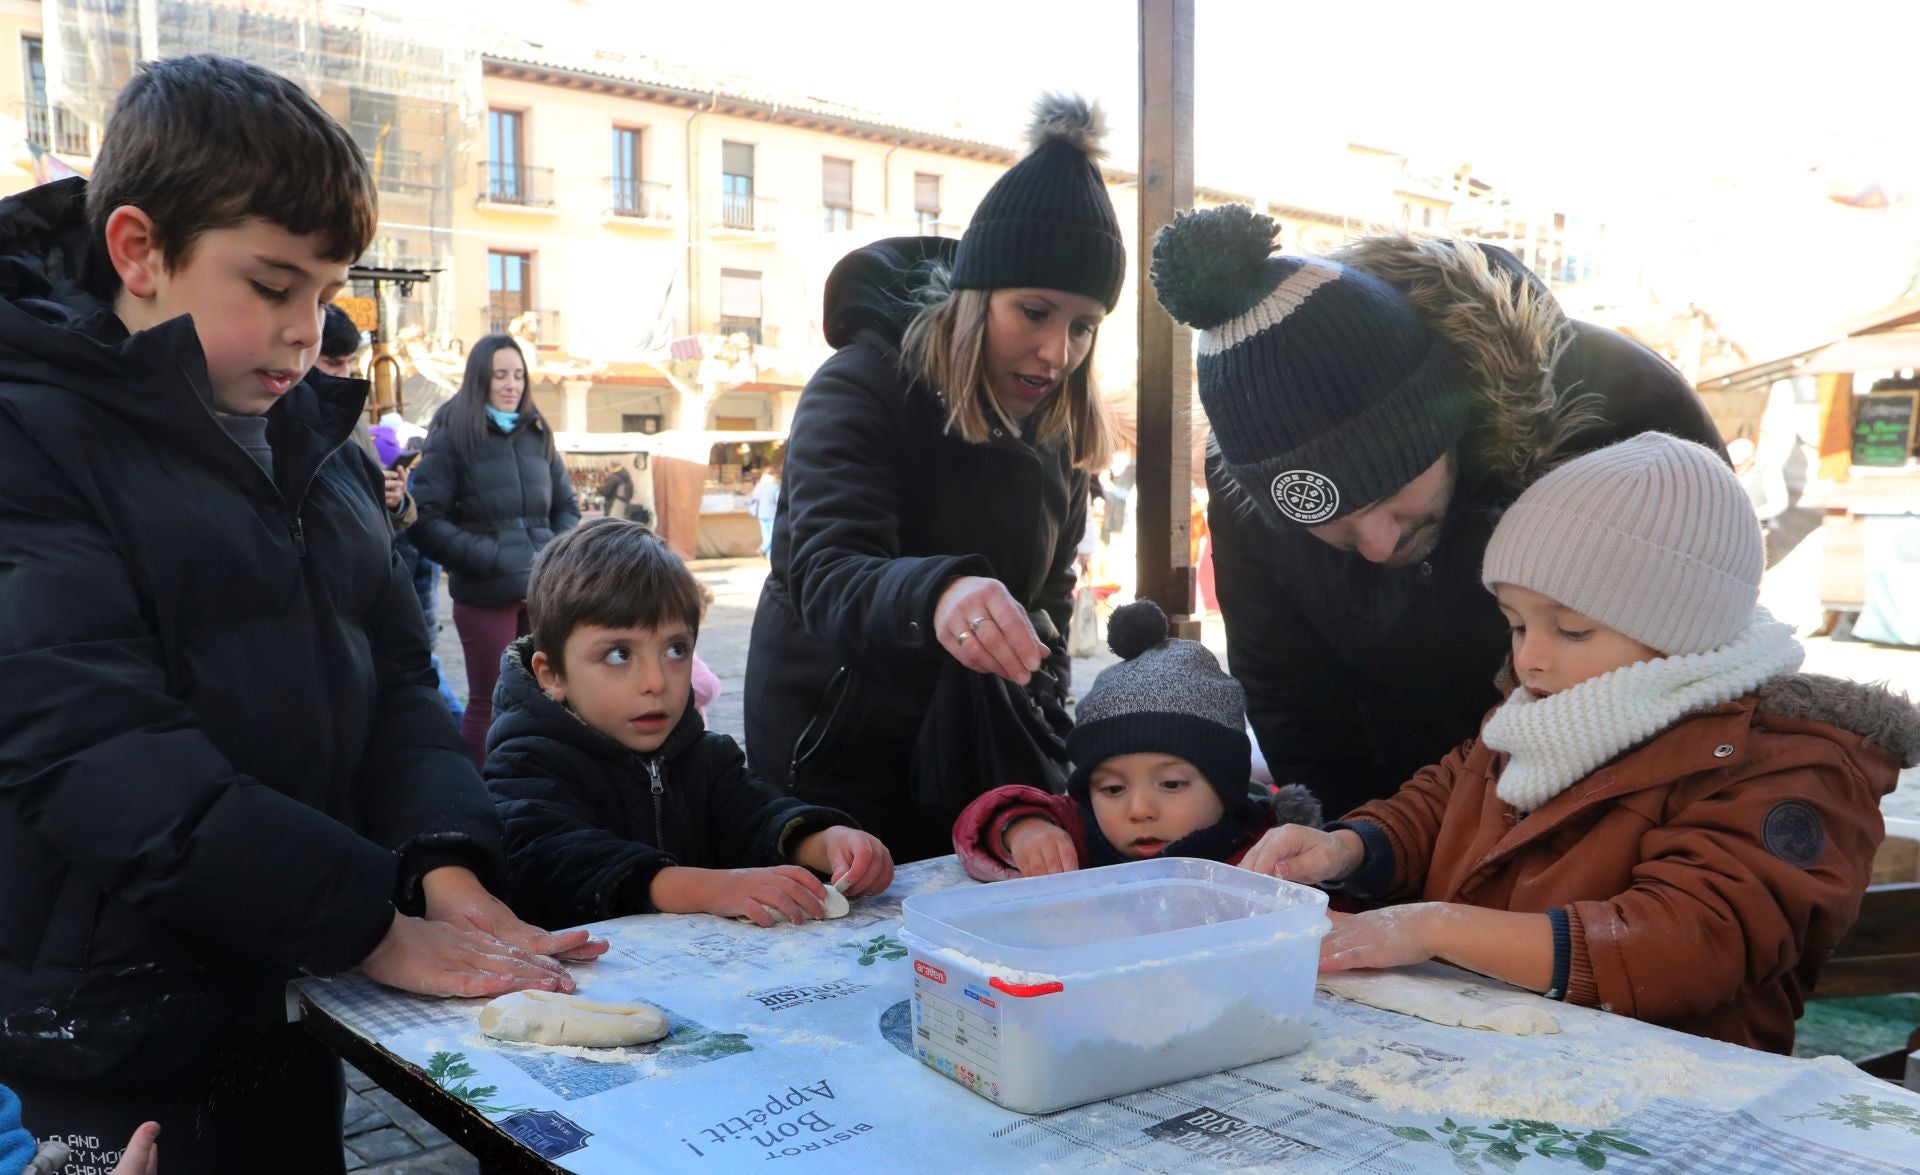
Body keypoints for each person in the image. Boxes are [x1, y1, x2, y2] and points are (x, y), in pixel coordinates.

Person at [0, 55, 603, 1170]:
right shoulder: (27, 434)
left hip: (298, 989)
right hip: (116, 1034)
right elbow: (101, 754)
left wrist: (443, 865)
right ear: (139, 250)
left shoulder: (308, 444)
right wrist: (372, 924)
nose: (306, 330)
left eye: (327, 292)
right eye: (273, 287)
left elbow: (396, 684)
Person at [1245, 433, 1916, 1054]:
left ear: (1681, 627)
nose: (1530, 658)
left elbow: (1689, 940)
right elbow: (1451, 793)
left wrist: (1434, 926)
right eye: (1515, 624)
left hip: (1670, 1096)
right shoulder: (1548, 710)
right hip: (1502, 1054)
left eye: (1569, 629)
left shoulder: (1792, 764)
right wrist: (1348, 845)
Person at [1149, 210, 1729, 815]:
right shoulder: (1251, 487)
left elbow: (1703, 649)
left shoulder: (1624, 411)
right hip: (1396, 813)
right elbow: (1289, 691)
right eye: (1334, 524)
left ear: (1442, 422)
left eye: (1388, 493)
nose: (1376, 544)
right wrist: (1363, 850)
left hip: (1610, 813)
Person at [745, 93, 1122, 862]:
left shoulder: (1057, 428)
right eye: (1034, 312)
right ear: (977, 297)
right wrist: (941, 592)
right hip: (836, 760)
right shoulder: (858, 384)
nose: (1057, 352)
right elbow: (824, 572)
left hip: (981, 765)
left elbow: (1049, 605)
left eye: (1082, 326)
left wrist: (1045, 720)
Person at [486, 519, 894, 929]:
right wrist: (710, 889)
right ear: (552, 675)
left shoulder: (706, 757)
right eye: (618, 655)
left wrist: (827, 843)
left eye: (676, 649)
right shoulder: (525, 761)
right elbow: (555, 862)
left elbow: (754, 814)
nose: (656, 682)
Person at [953, 601, 1320, 880]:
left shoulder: (1266, 851)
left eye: (1171, 783)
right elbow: (983, 821)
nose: (1139, 809)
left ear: (1228, 787)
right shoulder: (1080, 834)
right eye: (1112, 788)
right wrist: (1023, 830)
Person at [410, 333, 581, 764]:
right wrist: (491, 559)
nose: (511, 385)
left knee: (547, 699)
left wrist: (548, 560)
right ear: (480, 380)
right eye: (500, 376)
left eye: (519, 376)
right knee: (490, 703)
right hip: (485, 594)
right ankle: (485, 804)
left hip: (541, 592)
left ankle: (540, 792)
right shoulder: (453, 431)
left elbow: (566, 508)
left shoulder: (537, 431)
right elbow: (424, 519)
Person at [747, 449, 783, 557]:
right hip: (772, 513)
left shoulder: (760, 486)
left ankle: (768, 555)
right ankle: (763, 549)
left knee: (766, 534)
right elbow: (778, 500)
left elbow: (754, 497)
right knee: (771, 536)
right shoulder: (775, 487)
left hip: (762, 514)